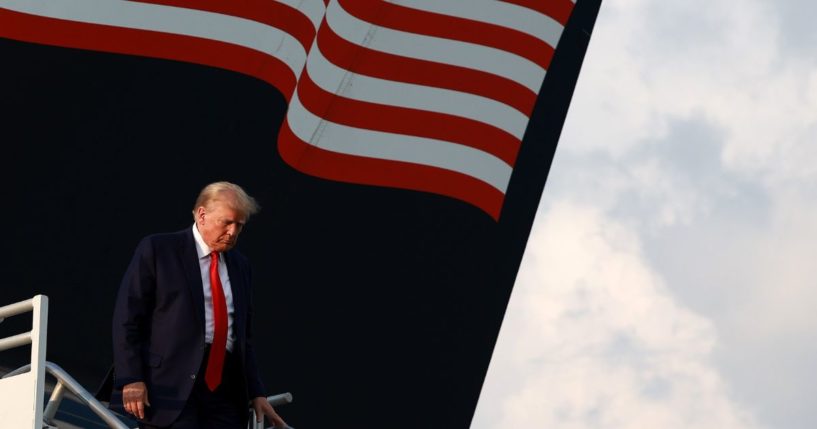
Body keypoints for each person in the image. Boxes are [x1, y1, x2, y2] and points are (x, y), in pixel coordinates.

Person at [109, 181, 287, 428]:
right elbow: (128, 318)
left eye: (240, 226)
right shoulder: (160, 249)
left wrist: (257, 391)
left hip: (226, 391)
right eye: (226, 222)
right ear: (202, 215)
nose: (233, 232)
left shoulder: (241, 266)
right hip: (170, 386)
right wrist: (131, 378)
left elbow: (243, 337)